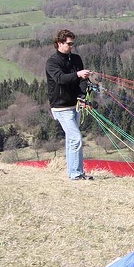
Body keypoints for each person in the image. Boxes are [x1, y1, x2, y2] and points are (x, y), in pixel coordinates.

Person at [45, 29, 94, 181]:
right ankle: (75, 174)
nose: (72, 46)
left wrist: (82, 95)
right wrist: (78, 74)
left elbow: (82, 80)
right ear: (59, 43)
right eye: (69, 44)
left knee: (72, 139)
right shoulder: (52, 62)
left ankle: (76, 172)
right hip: (61, 107)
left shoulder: (76, 59)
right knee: (76, 138)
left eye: (73, 44)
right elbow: (61, 79)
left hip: (75, 105)